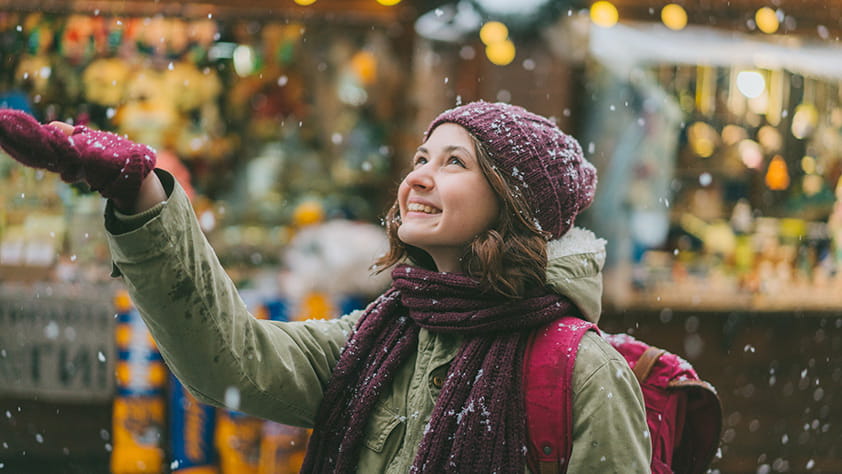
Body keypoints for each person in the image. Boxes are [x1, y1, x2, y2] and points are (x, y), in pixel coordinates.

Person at [0, 101, 651, 473]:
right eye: (422, 158)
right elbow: (229, 362)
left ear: (516, 204)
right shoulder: (380, 336)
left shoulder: (579, 372)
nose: (420, 176)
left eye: (455, 162)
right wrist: (141, 194)